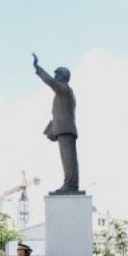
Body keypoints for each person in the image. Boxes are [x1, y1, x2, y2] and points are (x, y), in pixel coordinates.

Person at [33, 53, 79, 193]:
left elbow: (49, 81)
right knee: (67, 159)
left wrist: (38, 68)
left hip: (66, 130)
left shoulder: (63, 90)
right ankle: (70, 183)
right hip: (64, 130)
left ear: (63, 77)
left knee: (68, 159)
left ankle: (70, 184)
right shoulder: (64, 92)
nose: (55, 77)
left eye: (57, 74)